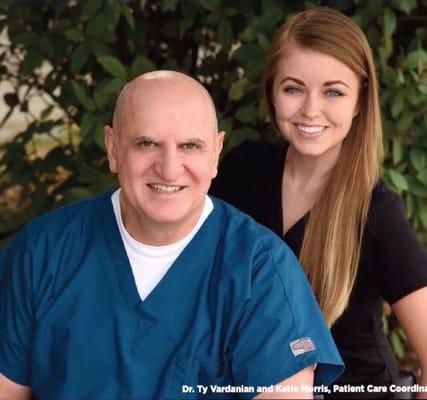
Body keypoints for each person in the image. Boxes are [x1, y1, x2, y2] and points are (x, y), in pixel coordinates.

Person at [0, 71, 343, 399]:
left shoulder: (261, 272)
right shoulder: (40, 253)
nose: (169, 167)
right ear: (112, 147)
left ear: (215, 153)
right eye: (147, 143)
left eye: (190, 146)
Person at [210, 7, 427, 399]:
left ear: (360, 100)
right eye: (293, 88)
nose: (311, 110)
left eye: (333, 91)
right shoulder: (241, 172)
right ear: (272, 92)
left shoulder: (375, 211)